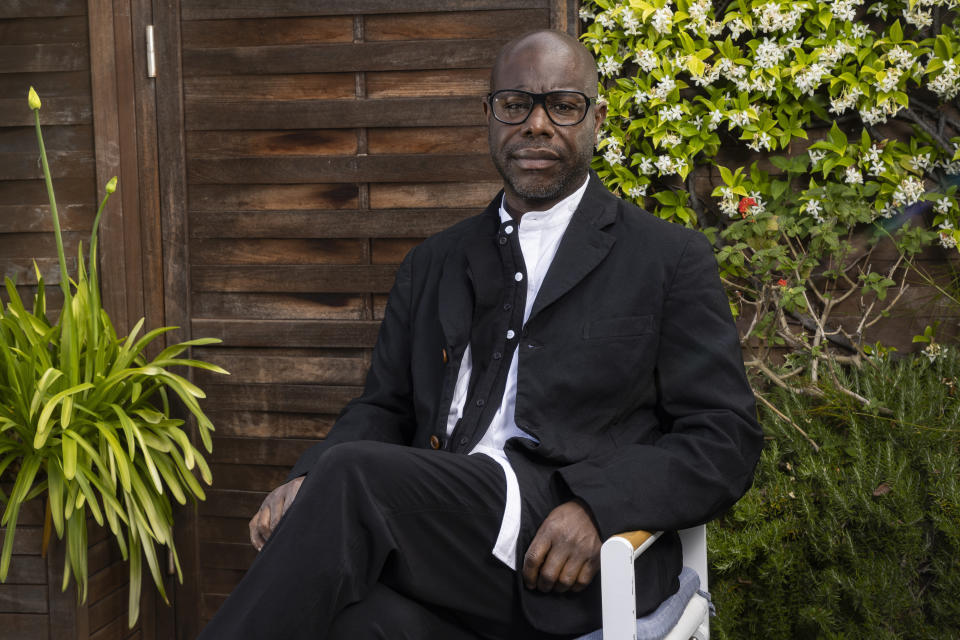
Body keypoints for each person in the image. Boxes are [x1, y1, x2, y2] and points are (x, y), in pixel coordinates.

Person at [198, 29, 762, 640]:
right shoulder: (433, 262)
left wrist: (601, 505)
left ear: (596, 118)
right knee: (354, 621)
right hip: (440, 550)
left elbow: (724, 438)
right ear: (488, 117)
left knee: (354, 476)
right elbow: (383, 407)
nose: (537, 125)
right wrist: (306, 478)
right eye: (515, 104)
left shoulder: (666, 257)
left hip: (568, 564)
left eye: (563, 105)